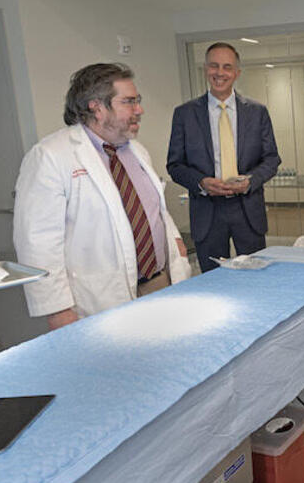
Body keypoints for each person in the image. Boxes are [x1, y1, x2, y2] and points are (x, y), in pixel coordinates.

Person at [14, 63, 192, 330]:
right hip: (101, 296)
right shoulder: (51, 156)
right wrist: (58, 311)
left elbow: (155, 210)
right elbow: (37, 243)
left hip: (158, 282)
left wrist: (175, 244)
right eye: (129, 102)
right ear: (96, 107)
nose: (139, 110)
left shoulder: (136, 151)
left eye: (138, 101)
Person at [167, 42, 280, 272]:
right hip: (207, 212)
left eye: (227, 67)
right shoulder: (185, 114)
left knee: (256, 281)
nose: (220, 73)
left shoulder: (257, 112)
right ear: (206, 69)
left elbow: (271, 159)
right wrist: (201, 182)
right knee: (213, 283)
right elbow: (175, 164)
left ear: (236, 73)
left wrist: (250, 181)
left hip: (248, 210)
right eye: (214, 66)